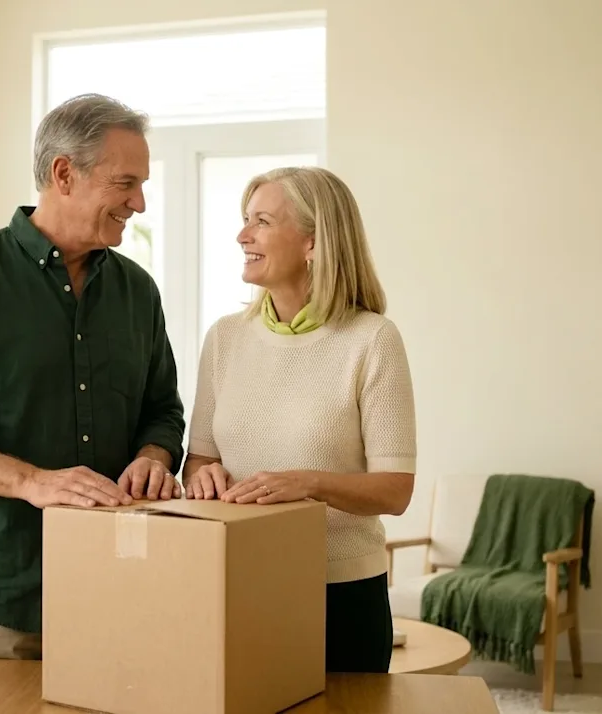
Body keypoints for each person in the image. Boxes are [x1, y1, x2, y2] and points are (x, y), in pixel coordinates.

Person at [0, 93, 187, 660]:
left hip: (120, 587)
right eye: (125, 183)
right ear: (63, 174)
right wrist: (33, 481)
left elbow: (164, 408)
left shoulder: (137, 292)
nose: (141, 203)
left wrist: (154, 456)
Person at [181, 165, 416, 674]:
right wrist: (204, 477)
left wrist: (306, 484)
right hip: (235, 581)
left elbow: (396, 491)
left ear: (313, 241)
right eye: (246, 220)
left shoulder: (373, 340)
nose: (243, 235)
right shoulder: (225, 338)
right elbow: (199, 460)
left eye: (261, 221)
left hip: (342, 594)